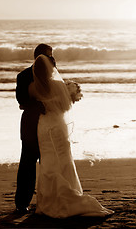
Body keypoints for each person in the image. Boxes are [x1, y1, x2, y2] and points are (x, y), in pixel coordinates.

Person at [28, 52, 114, 218]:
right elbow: (66, 107)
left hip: (43, 127)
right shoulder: (57, 85)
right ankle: (69, 195)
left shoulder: (32, 88)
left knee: (48, 161)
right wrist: (70, 96)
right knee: (63, 159)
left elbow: (30, 106)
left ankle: (47, 202)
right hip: (57, 126)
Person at [15, 44, 54, 213]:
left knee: (49, 163)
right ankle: (22, 203)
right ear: (38, 57)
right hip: (31, 123)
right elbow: (22, 101)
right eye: (48, 56)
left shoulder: (53, 76)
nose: (51, 60)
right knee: (27, 164)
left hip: (51, 124)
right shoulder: (23, 76)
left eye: (52, 56)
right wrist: (38, 105)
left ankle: (47, 201)